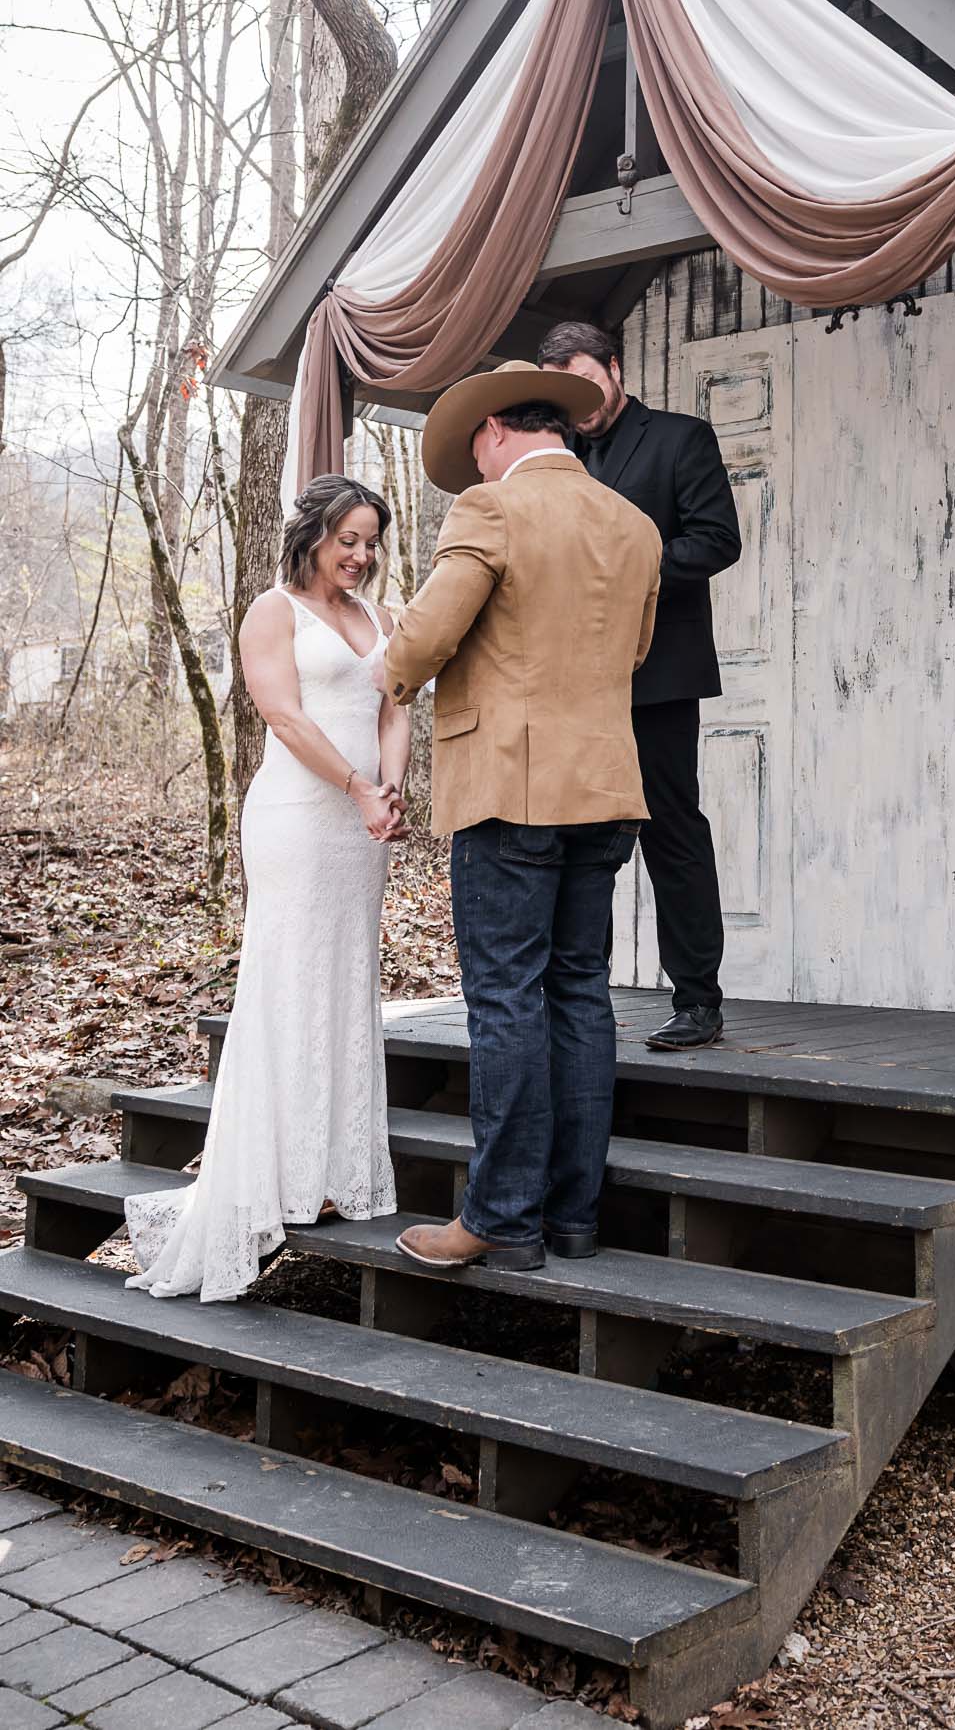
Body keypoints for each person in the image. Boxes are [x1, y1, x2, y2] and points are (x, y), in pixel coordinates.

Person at [385, 360, 661, 1271]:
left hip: (512, 788)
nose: (474, 465)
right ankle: (571, 1220)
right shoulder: (634, 524)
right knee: (580, 995)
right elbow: (636, 650)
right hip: (606, 786)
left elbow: (426, 635)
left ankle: (502, 1219)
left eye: (474, 449)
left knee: (505, 999)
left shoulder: (491, 509)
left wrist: (379, 678)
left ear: (498, 429)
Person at [125, 476, 407, 1303]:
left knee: (346, 980)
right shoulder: (271, 609)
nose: (359, 555)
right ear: (312, 534)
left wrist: (389, 789)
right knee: (287, 980)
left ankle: (332, 1171)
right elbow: (281, 714)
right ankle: (271, 1176)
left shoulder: (384, 619)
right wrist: (356, 786)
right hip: (298, 814)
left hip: (363, 827)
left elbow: (395, 708)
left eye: (370, 541)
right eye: (346, 539)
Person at [537, 318, 740, 1051]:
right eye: (566, 393)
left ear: (615, 369)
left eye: (589, 384)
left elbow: (717, 540)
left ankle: (698, 1002)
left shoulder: (681, 438)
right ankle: (579, 996)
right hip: (570, 681)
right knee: (574, 837)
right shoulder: (551, 457)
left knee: (670, 833)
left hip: (658, 674)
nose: (581, 403)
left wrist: (624, 572)